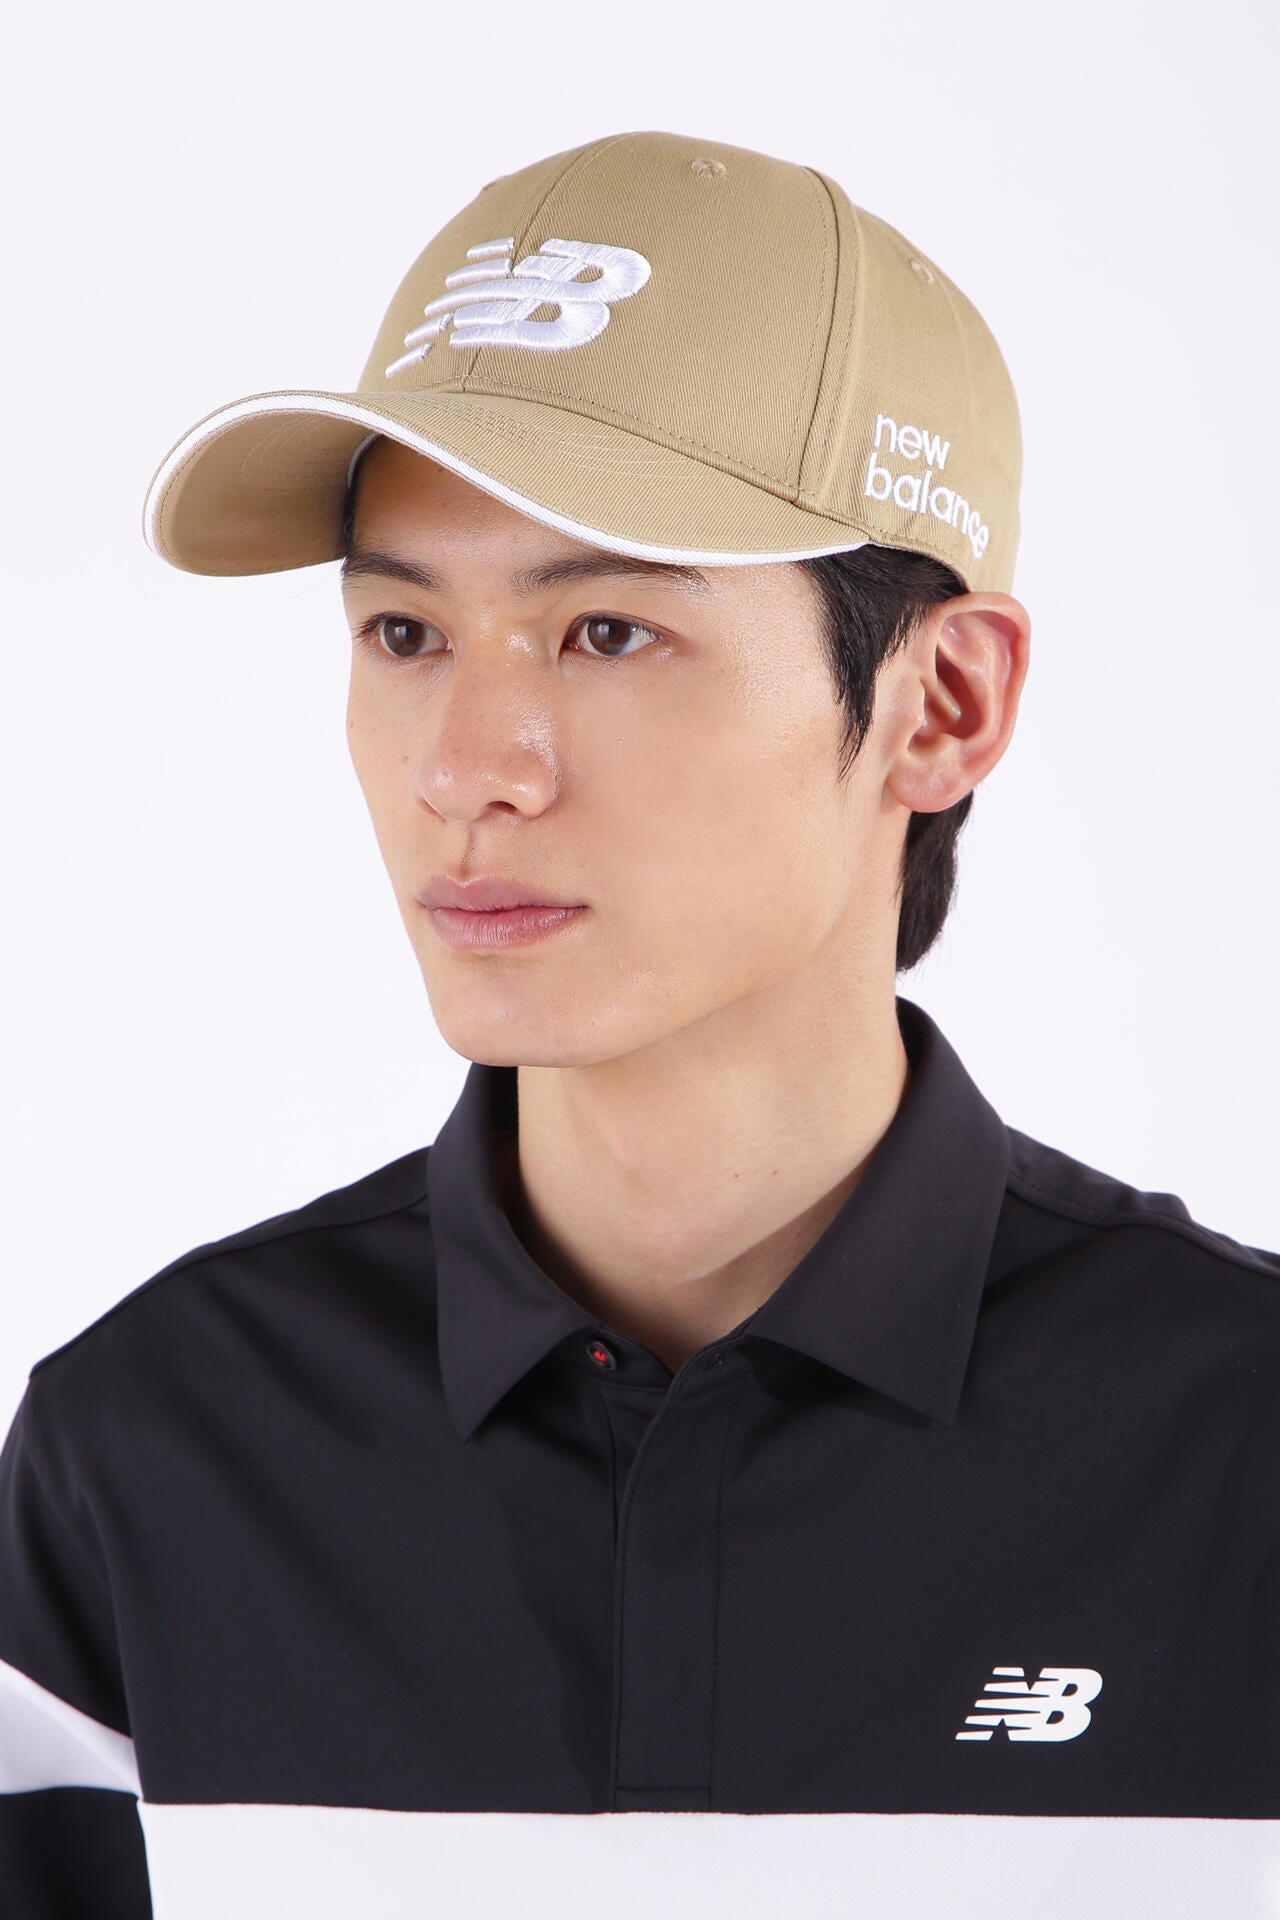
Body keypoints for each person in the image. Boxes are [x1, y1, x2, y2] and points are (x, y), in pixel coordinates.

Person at [2, 128, 1277, 1920]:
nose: (467, 772)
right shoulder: (148, 1456)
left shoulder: (1239, 1460)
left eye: (605, 630)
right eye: (402, 633)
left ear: (943, 706)